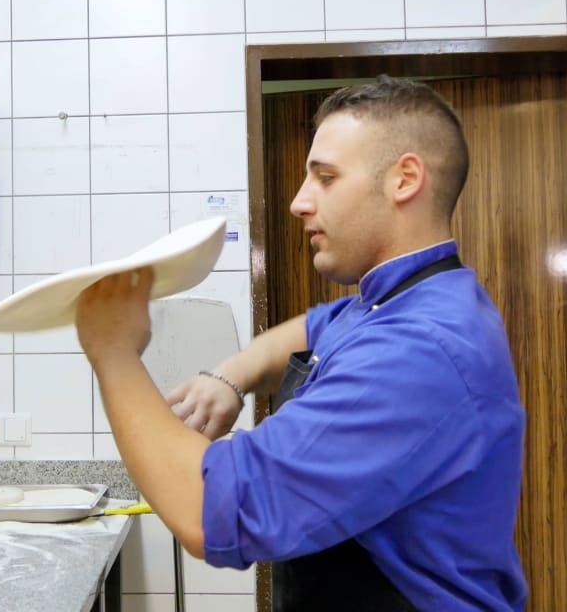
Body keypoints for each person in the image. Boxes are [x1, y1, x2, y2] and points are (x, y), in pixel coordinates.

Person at [75, 76, 527, 611]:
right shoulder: (399, 299)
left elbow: (210, 509)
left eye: (326, 178)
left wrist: (114, 353)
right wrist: (231, 376)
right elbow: (309, 329)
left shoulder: (415, 348)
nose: (298, 202)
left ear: (404, 179)